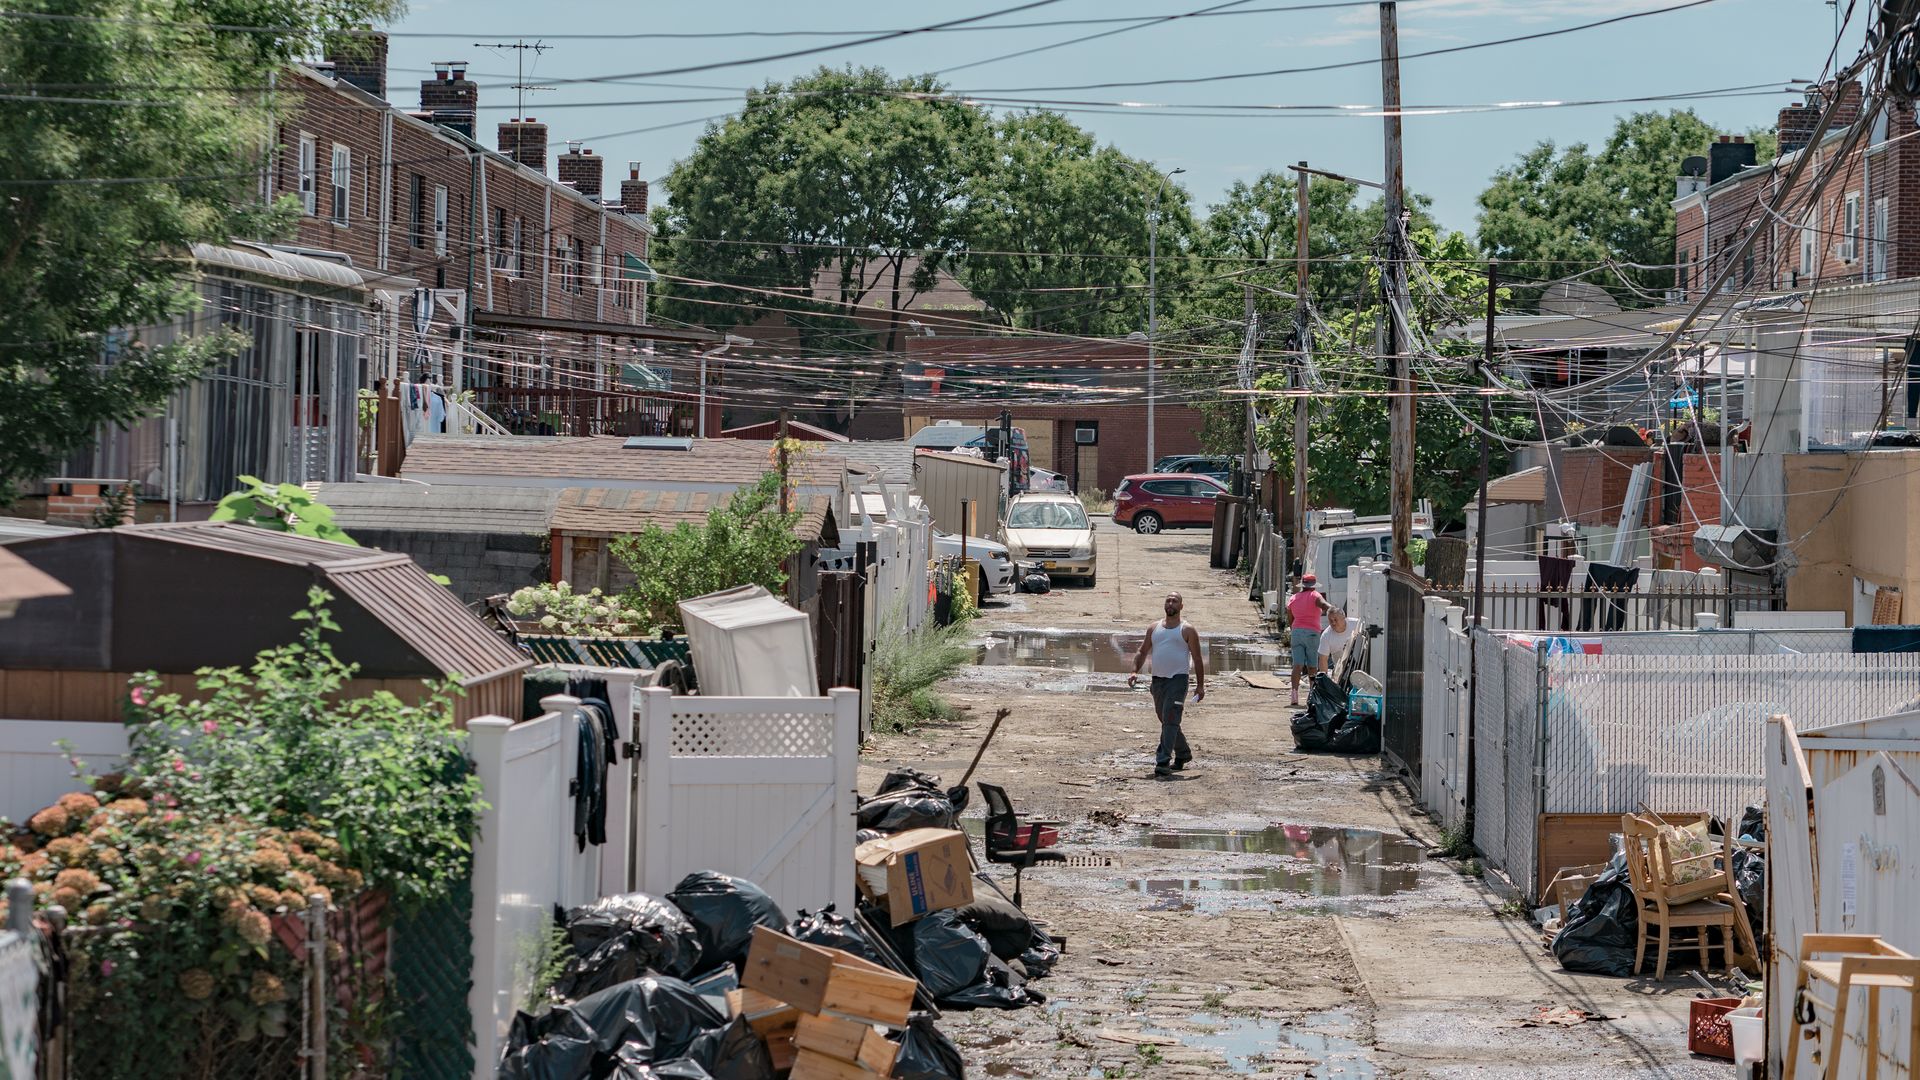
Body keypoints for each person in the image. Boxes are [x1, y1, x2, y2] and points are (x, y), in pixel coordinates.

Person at [1128, 591, 1205, 778]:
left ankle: (1162, 761)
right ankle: (1183, 753)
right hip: (1158, 681)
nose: (1171, 603)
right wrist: (1134, 671)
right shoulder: (1154, 628)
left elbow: (1197, 658)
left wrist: (1200, 685)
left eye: (1175, 601)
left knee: (1170, 718)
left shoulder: (1187, 630)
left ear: (1181, 606)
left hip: (1178, 680)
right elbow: (1142, 651)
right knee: (1166, 719)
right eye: (1168, 601)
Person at [1286, 574, 1331, 707]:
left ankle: (1294, 695)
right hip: (1312, 633)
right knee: (1312, 666)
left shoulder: (1293, 598)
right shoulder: (1315, 596)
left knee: (1297, 665)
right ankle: (1312, 695)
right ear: (1313, 586)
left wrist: (1295, 630)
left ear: (1303, 585)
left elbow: (1290, 618)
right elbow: (1324, 605)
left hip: (1296, 633)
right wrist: (1333, 610)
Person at [1316, 606, 1355, 674]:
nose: (1333, 623)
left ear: (1343, 617)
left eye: (1335, 619)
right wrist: (1324, 678)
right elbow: (1323, 659)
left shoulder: (1355, 624)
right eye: (1330, 621)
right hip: (1341, 670)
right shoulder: (1326, 635)